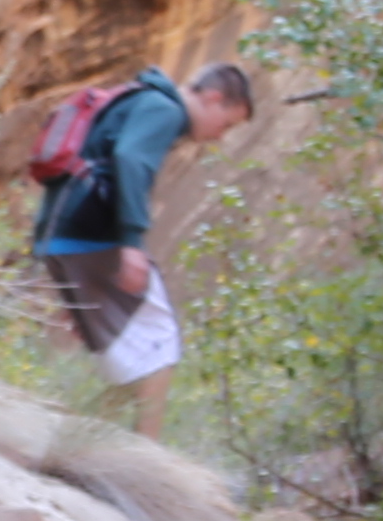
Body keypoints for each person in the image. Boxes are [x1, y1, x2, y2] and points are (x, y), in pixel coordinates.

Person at [29, 58, 255, 437]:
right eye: (226, 123)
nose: (220, 135)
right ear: (214, 98)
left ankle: (81, 445)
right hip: (89, 236)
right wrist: (131, 241)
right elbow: (130, 158)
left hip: (65, 234)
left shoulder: (143, 101)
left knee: (130, 358)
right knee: (159, 343)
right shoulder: (163, 109)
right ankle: (143, 456)